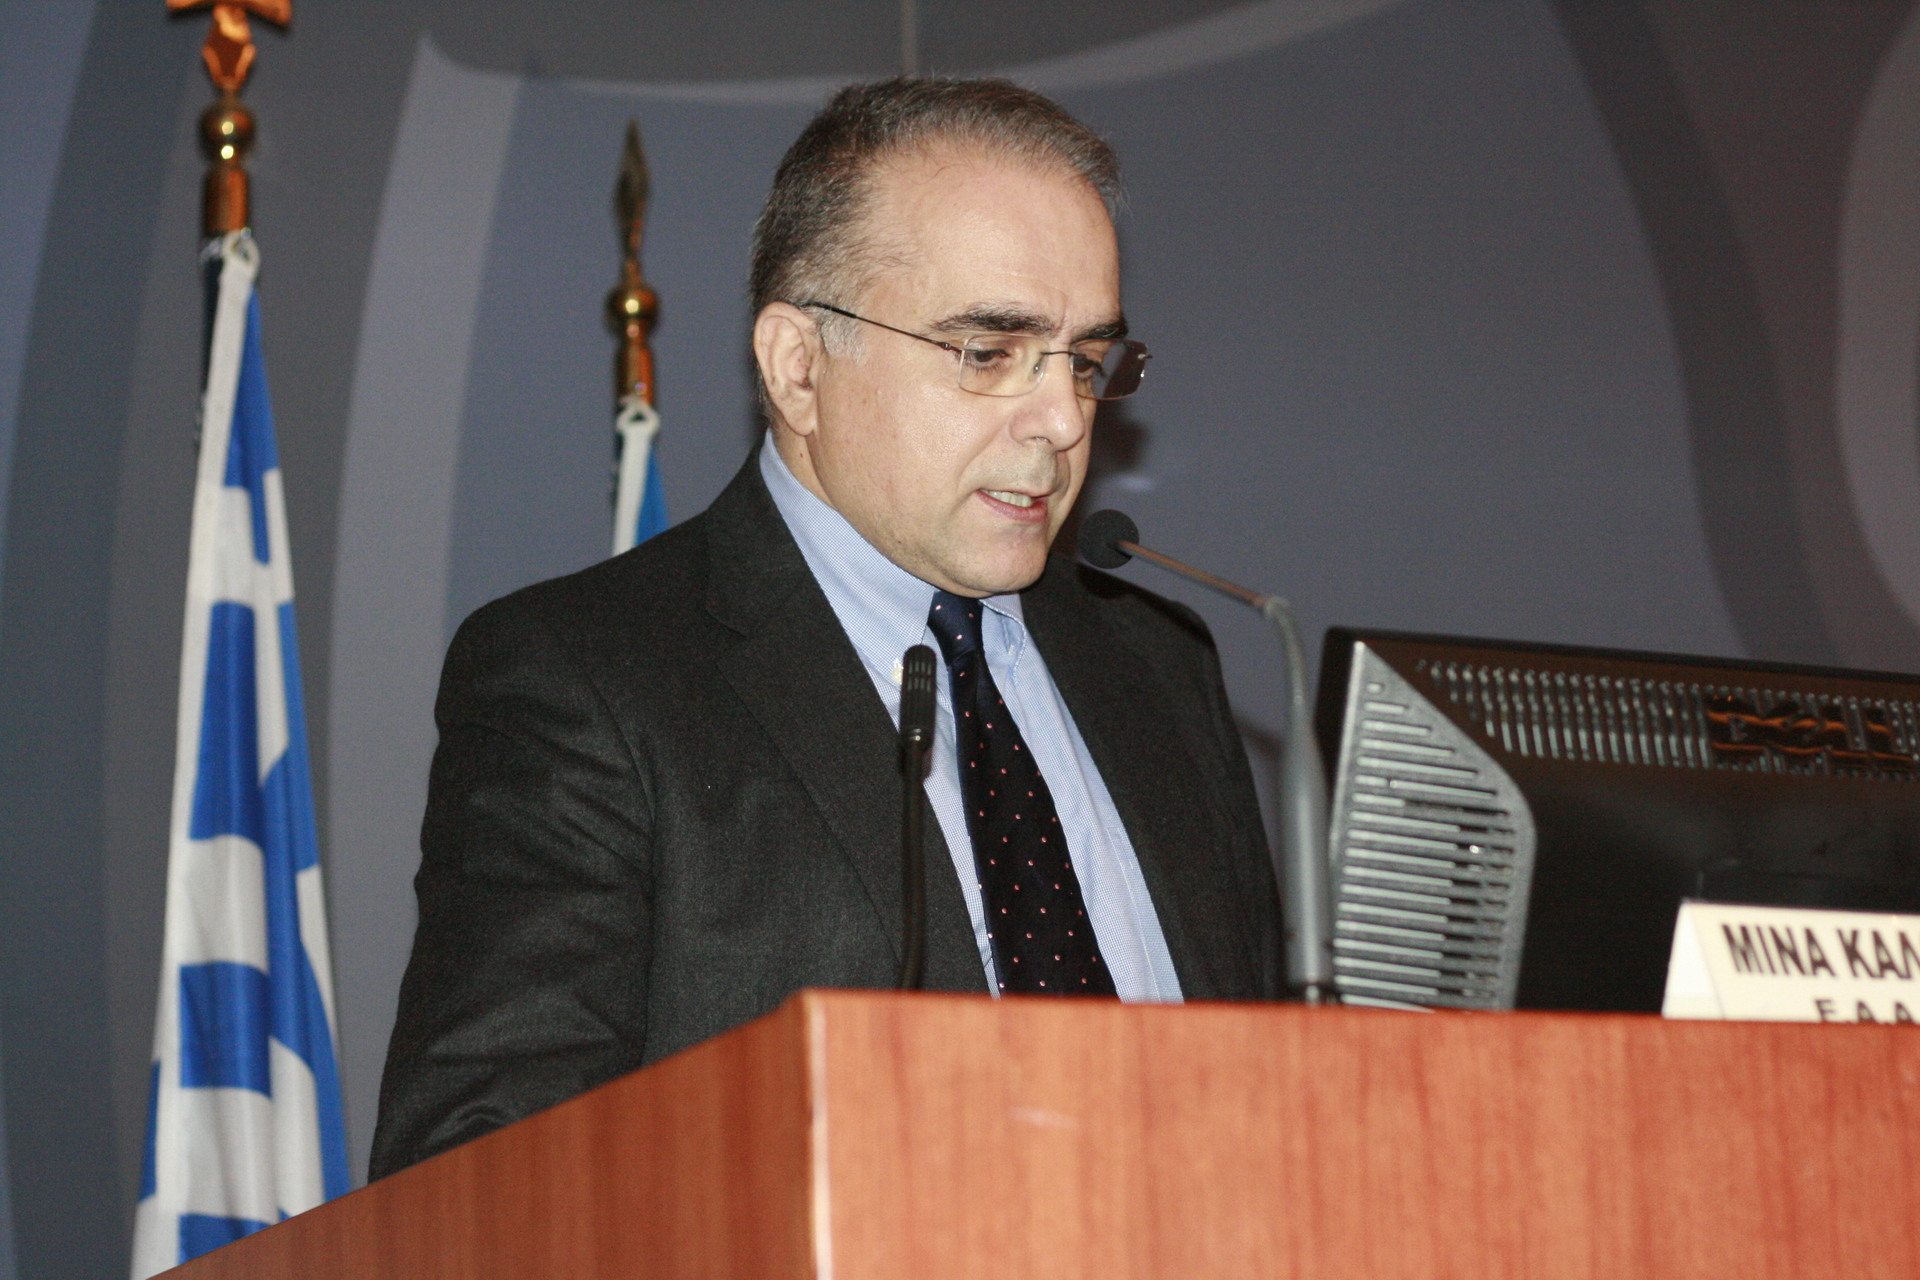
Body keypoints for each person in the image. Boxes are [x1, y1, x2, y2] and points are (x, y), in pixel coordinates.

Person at [369, 77, 1281, 1181]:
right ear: (799, 367)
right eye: (989, 352)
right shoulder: (587, 682)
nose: (1060, 419)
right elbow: (480, 1179)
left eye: (1086, 362)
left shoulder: (1161, 669)